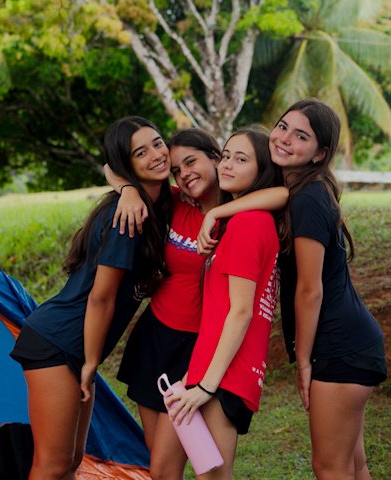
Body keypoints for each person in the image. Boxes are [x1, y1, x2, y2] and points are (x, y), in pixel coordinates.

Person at [109, 128, 287, 479]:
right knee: (158, 466)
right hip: (155, 338)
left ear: (215, 159)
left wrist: (217, 213)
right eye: (177, 170)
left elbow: (284, 193)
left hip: (198, 347)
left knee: (169, 465)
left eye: (191, 162)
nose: (184, 174)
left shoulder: (241, 218)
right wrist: (128, 190)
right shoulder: (176, 202)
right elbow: (111, 167)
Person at [9, 116, 172, 480]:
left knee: (72, 460)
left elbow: (108, 169)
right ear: (127, 164)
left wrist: (127, 187)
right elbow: (101, 298)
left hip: (74, 344)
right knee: (51, 465)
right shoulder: (126, 217)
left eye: (158, 143)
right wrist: (91, 363)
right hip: (57, 343)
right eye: (140, 153)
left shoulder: (152, 206)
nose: (156, 155)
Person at [269, 99, 387, 479]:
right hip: (351, 342)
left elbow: (310, 289)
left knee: (329, 466)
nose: (285, 138)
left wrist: (303, 361)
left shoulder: (307, 199)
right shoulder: (302, 190)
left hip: (339, 348)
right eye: (282, 127)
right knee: (352, 464)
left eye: (300, 136)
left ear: (320, 153)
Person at [166, 127, 283, 479]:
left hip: (225, 374)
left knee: (214, 475)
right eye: (227, 156)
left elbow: (242, 311)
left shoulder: (249, 223)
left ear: (261, 170)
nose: (228, 164)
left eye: (241, 159)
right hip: (214, 367)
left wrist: (206, 384)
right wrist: (193, 375)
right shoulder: (239, 220)